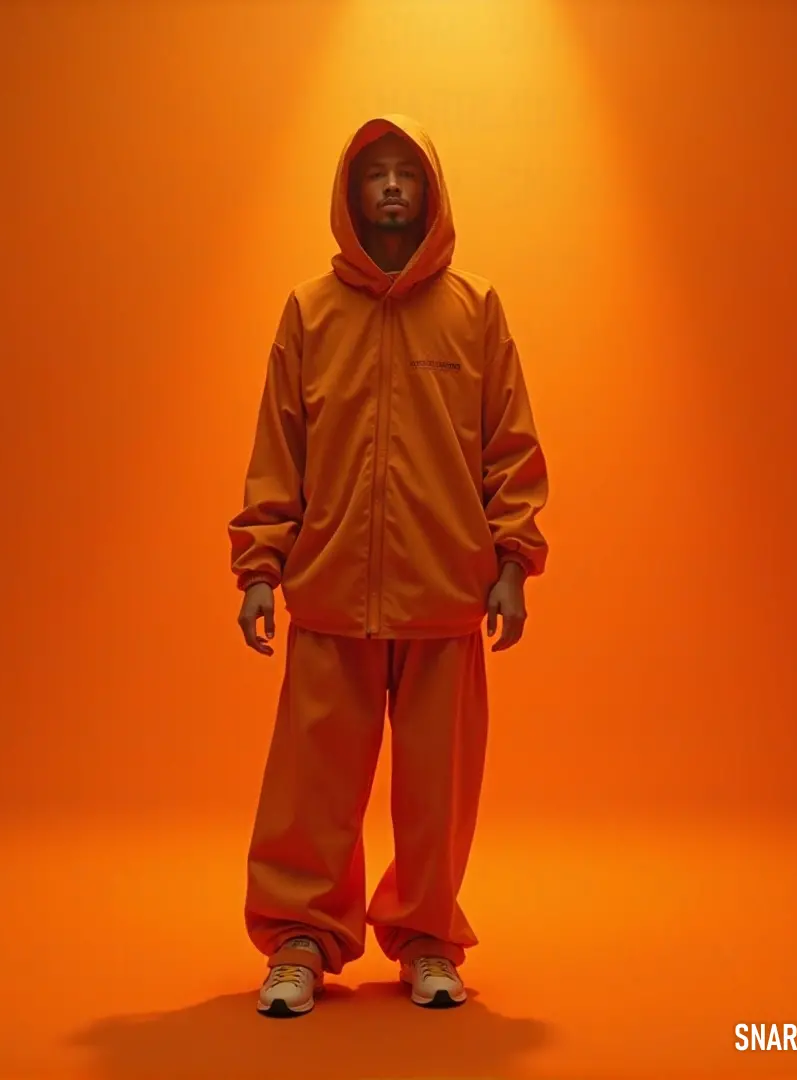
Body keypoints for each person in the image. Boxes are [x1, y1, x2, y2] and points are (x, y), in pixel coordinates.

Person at [228, 114, 548, 1018]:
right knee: (311, 782)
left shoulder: (477, 311)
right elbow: (277, 449)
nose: (394, 187)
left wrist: (513, 563)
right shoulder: (309, 313)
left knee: (437, 791)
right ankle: (299, 938)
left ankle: (427, 941)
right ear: (351, 194)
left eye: (410, 173)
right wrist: (259, 567)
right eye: (378, 175)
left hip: (446, 592)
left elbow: (510, 446)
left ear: (434, 192)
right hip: (328, 592)